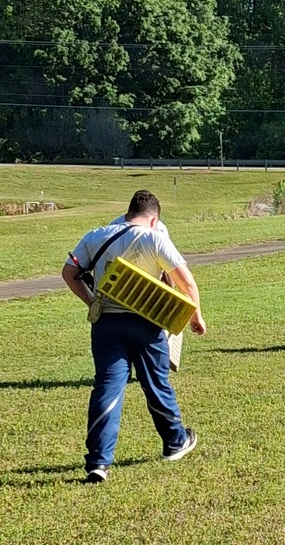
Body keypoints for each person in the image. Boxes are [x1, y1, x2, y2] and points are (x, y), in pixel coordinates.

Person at [62, 189, 207, 484]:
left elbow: (68, 273)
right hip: (147, 322)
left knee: (107, 388)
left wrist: (92, 302)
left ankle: (98, 463)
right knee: (155, 384)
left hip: (106, 325)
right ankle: (175, 441)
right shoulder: (155, 238)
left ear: (127, 213)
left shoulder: (97, 235)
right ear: (153, 220)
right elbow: (186, 282)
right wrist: (196, 317)